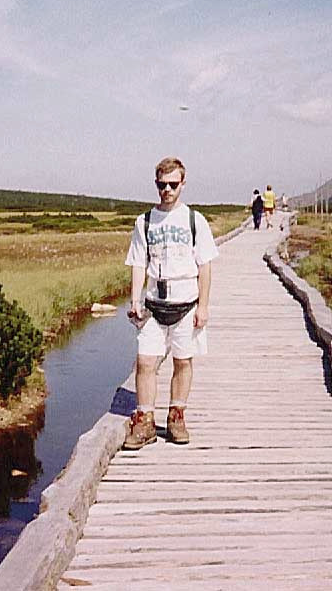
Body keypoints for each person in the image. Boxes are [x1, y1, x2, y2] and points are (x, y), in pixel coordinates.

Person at [123, 157, 219, 449]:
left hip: (186, 303)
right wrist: (135, 298)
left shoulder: (194, 220)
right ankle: (145, 421)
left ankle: (177, 416)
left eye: (173, 184)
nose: (167, 189)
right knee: (145, 362)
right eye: (162, 184)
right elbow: (139, 264)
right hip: (154, 305)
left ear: (182, 184)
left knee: (182, 361)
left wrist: (203, 306)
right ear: (156, 184)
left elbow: (205, 266)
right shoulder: (145, 222)